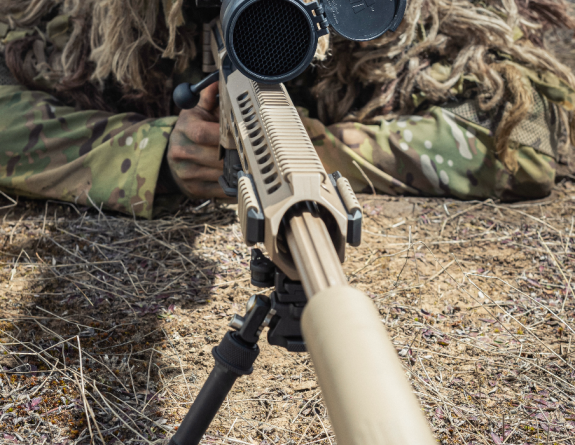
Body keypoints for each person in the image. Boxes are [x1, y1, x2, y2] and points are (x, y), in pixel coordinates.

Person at [0, 0, 574, 219]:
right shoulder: (103, 20)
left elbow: (523, 138)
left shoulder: (394, 22)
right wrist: (152, 153)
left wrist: (325, 151)